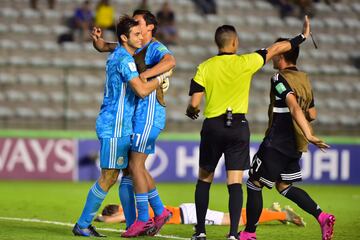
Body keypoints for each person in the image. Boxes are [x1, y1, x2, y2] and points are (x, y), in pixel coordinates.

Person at [185, 16, 311, 240]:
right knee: (234, 182)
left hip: (213, 126)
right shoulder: (246, 62)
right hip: (238, 127)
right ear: (234, 43)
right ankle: (234, 234)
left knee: (204, 179)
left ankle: (201, 231)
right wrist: (301, 37)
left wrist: (192, 110)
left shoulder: (204, 67)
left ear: (218, 43)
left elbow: (194, 103)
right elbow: (277, 48)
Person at [72, 15, 171, 237]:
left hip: (121, 124)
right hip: (114, 125)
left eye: (141, 33)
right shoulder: (125, 60)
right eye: (136, 34)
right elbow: (142, 90)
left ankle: (136, 223)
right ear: (126, 38)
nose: (141, 37)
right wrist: (161, 78)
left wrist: (99, 43)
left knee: (128, 172)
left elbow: (108, 46)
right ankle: (83, 223)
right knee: (109, 176)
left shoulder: (124, 53)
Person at [239, 41, 333, 240]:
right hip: (294, 144)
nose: (272, 56)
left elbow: (293, 106)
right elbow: (312, 113)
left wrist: (309, 134)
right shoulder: (304, 78)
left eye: (276, 53)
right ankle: (322, 216)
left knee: (254, 183)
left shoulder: (278, 77)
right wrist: (304, 131)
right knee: (284, 187)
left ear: (281, 55)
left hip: (277, 142)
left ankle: (249, 233)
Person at [95, 202, 306, 227]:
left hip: (190, 215)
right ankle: (274, 212)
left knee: (237, 221)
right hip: (188, 212)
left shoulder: (132, 210)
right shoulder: (137, 207)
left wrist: (101, 218)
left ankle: (282, 215)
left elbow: (119, 218)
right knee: (232, 217)